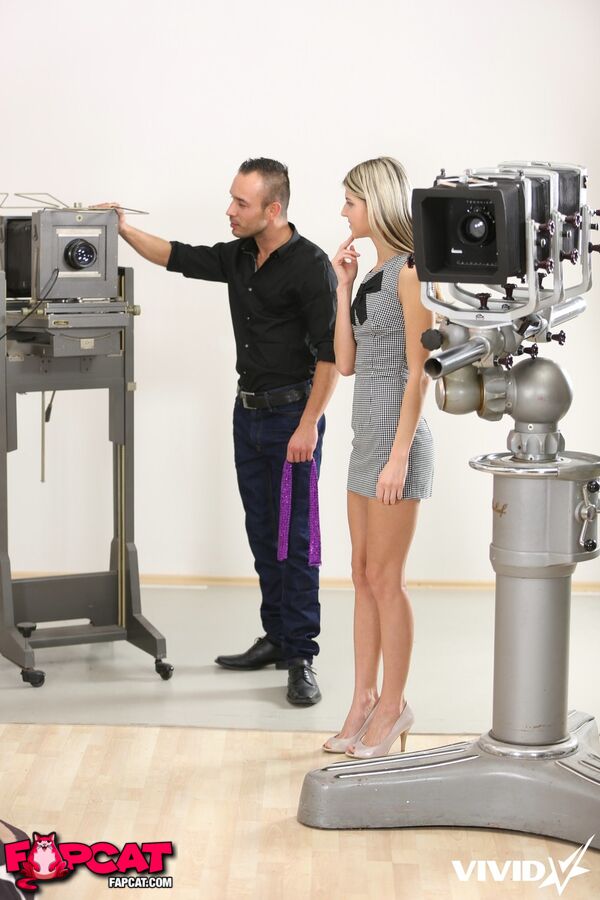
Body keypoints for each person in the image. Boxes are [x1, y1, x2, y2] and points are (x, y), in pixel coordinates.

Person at [102, 158, 338, 705]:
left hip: (292, 419)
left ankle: (301, 657)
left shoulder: (311, 267)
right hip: (248, 416)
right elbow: (176, 256)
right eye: (232, 199)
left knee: (296, 540)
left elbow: (329, 358)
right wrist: (124, 229)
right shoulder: (239, 255)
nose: (230, 211)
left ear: (273, 210)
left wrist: (308, 426)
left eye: (241, 203)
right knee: (263, 534)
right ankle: (276, 637)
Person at [324, 156, 434, 757]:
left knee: (387, 579)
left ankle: (393, 706)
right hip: (364, 439)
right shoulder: (372, 275)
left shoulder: (412, 273)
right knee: (361, 574)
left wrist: (399, 457)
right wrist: (342, 287)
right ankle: (363, 699)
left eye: (351, 201)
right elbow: (346, 363)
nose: (344, 211)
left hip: (396, 443)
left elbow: (420, 374)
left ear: (377, 202)